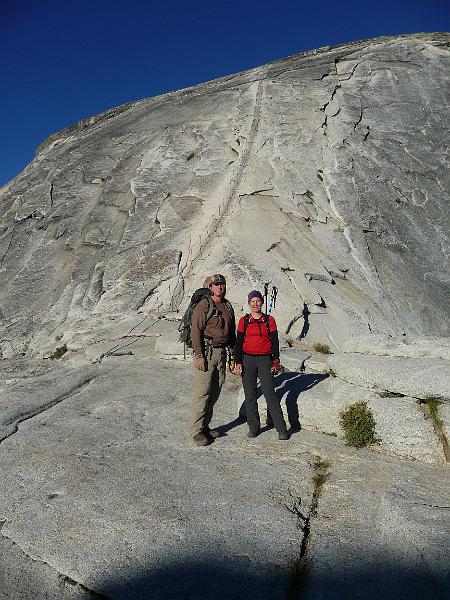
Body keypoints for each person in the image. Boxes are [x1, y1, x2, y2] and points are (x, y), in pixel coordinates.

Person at [234, 290, 289, 440]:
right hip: (247, 360)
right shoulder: (244, 320)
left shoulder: (269, 320)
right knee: (250, 394)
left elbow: (275, 341)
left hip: (265, 359)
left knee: (269, 393)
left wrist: (276, 360)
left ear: (262, 303)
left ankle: (281, 429)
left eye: (258, 301)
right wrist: (238, 362)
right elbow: (238, 343)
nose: (255, 303)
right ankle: (254, 427)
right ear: (249, 303)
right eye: (253, 301)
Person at [190, 274, 236, 446]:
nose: (219, 287)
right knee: (202, 392)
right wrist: (199, 355)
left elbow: (232, 333)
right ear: (210, 287)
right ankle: (196, 431)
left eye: (222, 284)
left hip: (223, 353)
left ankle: (205, 426)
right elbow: (196, 331)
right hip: (207, 353)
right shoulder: (204, 305)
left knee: (215, 392)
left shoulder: (228, 305)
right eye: (216, 285)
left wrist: (233, 355)